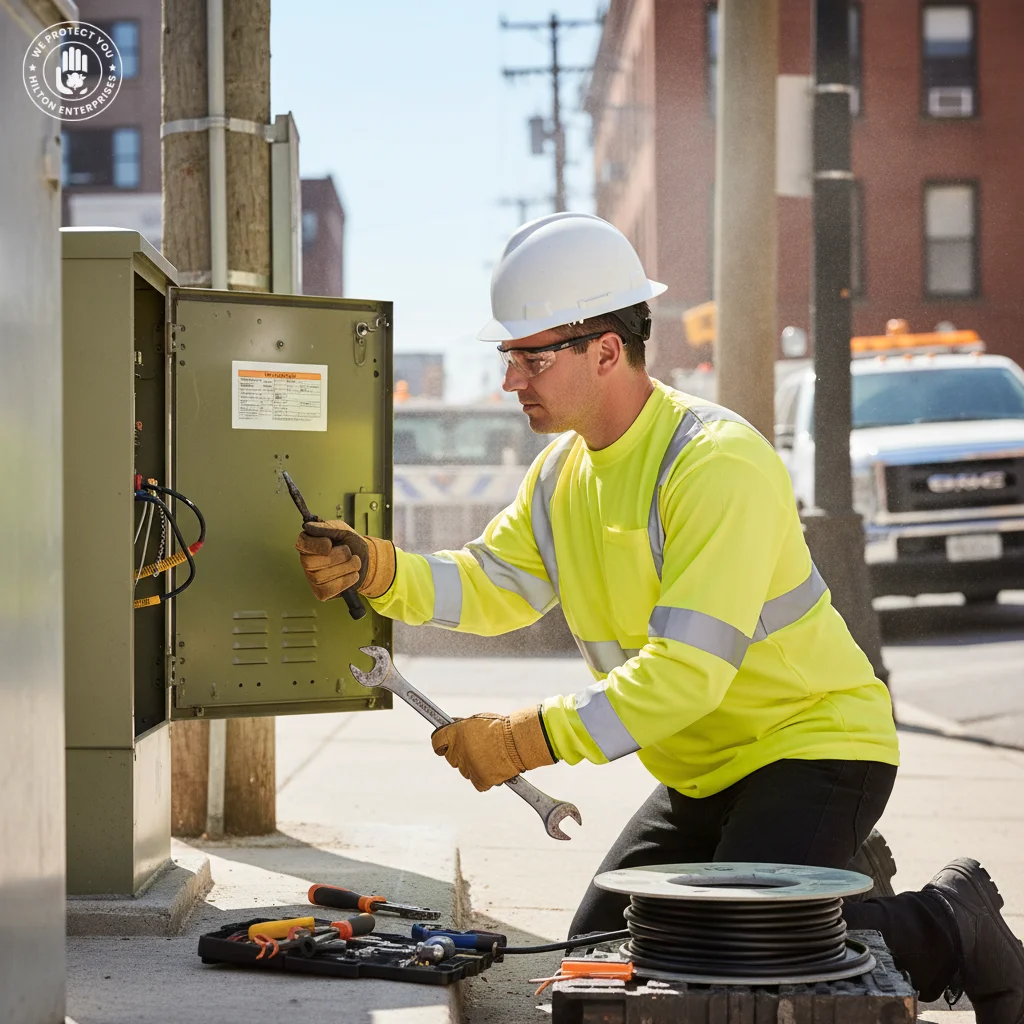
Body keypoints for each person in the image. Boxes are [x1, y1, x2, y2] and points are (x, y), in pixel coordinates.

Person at [295, 213, 1024, 1021]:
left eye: (532, 358)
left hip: (813, 748)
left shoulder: (714, 462)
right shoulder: (561, 474)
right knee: (597, 967)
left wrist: (526, 738)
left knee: (735, 961)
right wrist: (380, 569)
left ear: (607, 350)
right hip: (700, 772)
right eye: (510, 358)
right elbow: (494, 582)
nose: (511, 381)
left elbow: (686, 674)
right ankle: (829, 885)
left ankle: (951, 920)